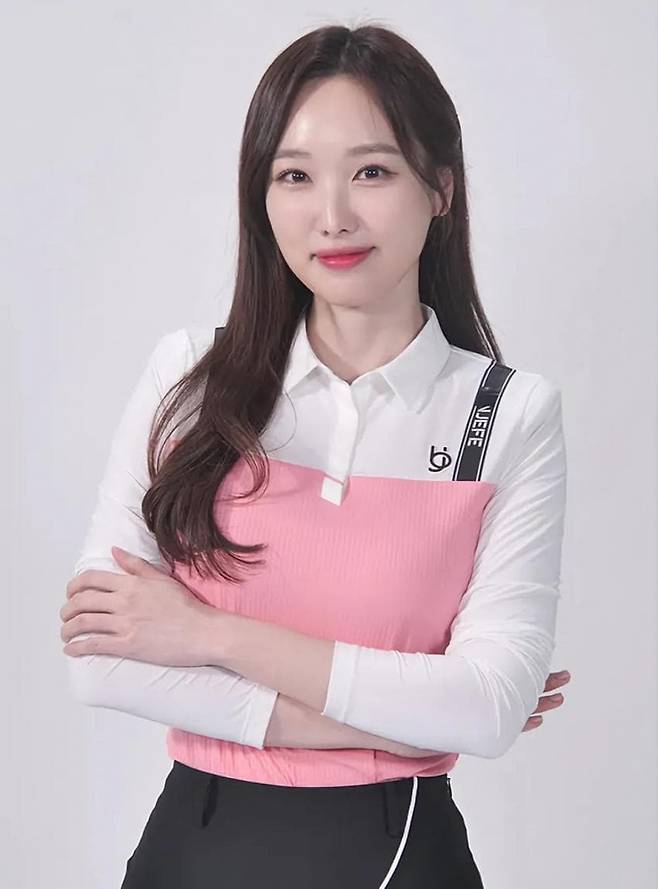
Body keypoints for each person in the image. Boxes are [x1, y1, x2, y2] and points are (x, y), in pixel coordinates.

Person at [59, 22, 571, 888]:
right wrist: (399, 717)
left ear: (440, 187)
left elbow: (486, 705)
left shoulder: (508, 415)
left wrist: (207, 634)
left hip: (396, 853)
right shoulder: (189, 378)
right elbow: (101, 658)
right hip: (189, 847)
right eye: (294, 176)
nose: (331, 215)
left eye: (371, 171)